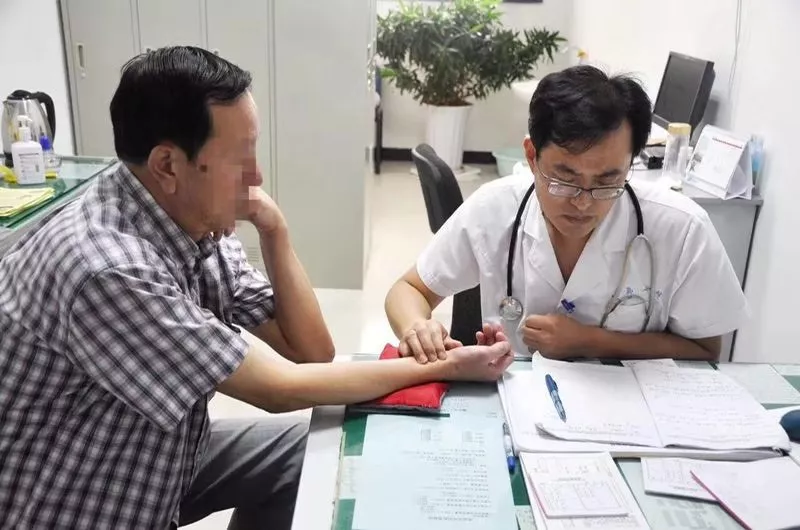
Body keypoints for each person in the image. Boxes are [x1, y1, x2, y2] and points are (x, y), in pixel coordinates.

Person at [0, 46, 513, 530]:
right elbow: (278, 389)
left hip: (158, 447)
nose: (257, 174)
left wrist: (275, 231)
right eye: (240, 156)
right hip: (78, 497)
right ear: (168, 165)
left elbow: (311, 353)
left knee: (311, 450)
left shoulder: (189, 216)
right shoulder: (107, 268)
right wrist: (447, 366)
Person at [385, 65, 749, 363]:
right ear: (532, 156)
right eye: (564, 179)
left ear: (631, 163)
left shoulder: (682, 228)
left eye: (607, 182)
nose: (583, 202)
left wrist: (591, 342)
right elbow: (408, 290)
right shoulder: (494, 208)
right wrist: (417, 327)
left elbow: (705, 350)